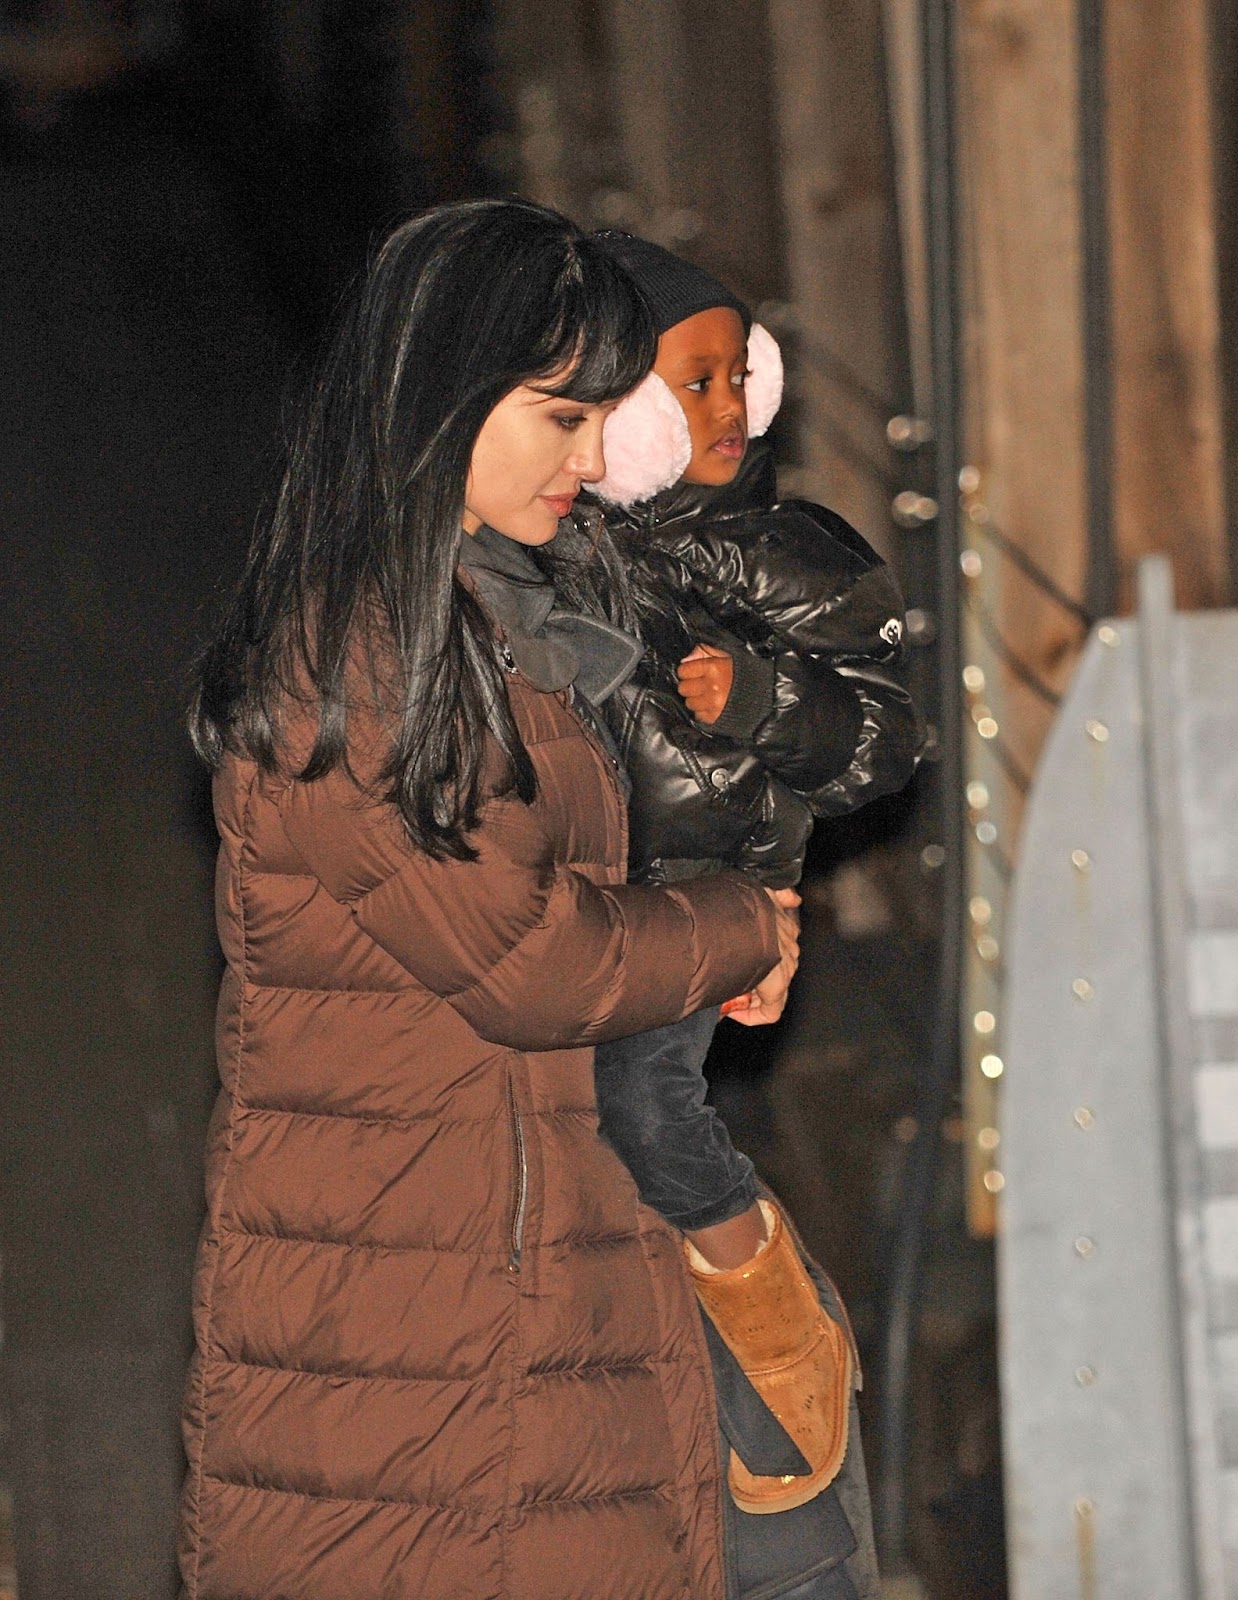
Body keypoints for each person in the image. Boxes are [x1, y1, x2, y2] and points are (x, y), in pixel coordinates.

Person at [180, 198, 803, 1600]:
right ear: (439, 401)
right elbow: (529, 959)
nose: (594, 459)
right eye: (558, 418)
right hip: (425, 1315)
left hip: (507, 1272)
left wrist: (701, 945)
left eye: (599, 419)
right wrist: (735, 926)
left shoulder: (489, 614)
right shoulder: (357, 658)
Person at [538, 230, 919, 1567]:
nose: (716, 415)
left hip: (706, 897)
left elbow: (884, 742)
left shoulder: (782, 549)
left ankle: (760, 1300)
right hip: (600, 904)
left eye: (728, 383)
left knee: (650, 1103)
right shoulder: (566, 545)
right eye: (682, 386)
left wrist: (758, 700)